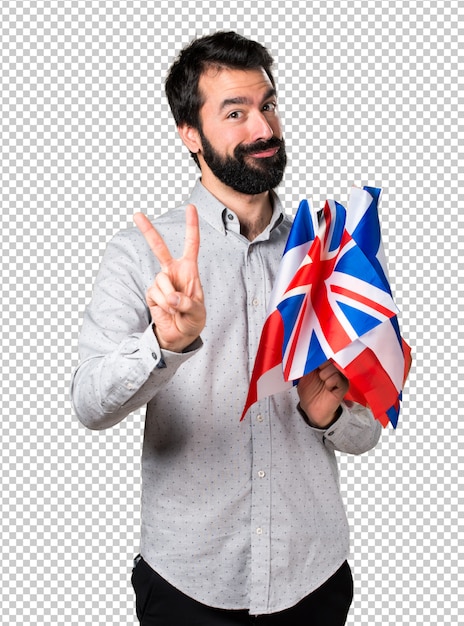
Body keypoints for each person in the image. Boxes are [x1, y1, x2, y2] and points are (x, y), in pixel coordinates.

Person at [71, 31, 382, 625]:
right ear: (190, 133)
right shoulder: (141, 254)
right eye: (234, 113)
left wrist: (331, 417)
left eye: (267, 105)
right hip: (190, 586)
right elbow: (89, 404)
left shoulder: (326, 254)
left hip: (312, 579)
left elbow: (368, 432)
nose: (262, 129)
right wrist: (166, 344)